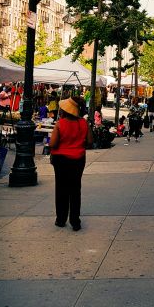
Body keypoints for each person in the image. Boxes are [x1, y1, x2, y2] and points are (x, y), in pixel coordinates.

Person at [49, 97, 93, 231]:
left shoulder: (60, 123)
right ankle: (75, 221)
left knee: (61, 188)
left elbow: (53, 144)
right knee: (75, 189)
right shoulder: (84, 123)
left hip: (60, 159)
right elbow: (90, 141)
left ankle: (61, 219)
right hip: (78, 159)